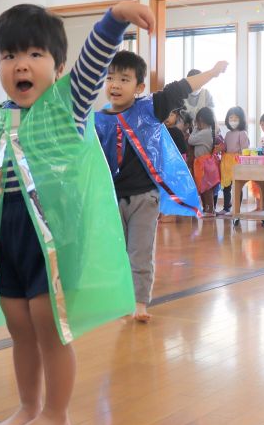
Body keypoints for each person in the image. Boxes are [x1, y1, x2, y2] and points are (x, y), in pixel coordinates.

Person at [0, 0, 154, 425]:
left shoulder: (66, 106)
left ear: (59, 65)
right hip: (9, 232)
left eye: (34, 54)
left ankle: (56, 413)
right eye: (9, 56)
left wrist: (115, 18)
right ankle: (29, 406)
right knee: (18, 324)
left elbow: (94, 59)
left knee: (48, 324)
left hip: (54, 237)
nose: (21, 65)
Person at [95, 51, 226, 322]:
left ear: (139, 87)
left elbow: (179, 89)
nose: (115, 85)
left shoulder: (149, 109)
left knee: (139, 252)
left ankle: (139, 303)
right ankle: (121, 300)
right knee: (115, 254)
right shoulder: (96, 120)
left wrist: (211, 73)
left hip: (144, 197)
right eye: (110, 78)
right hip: (111, 198)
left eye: (124, 79)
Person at [188, 106, 220, 215]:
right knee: (204, 188)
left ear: (201, 121)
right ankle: (207, 209)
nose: (197, 124)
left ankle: (210, 210)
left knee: (206, 188)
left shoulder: (205, 132)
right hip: (204, 163)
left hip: (204, 164)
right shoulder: (209, 130)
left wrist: (195, 128)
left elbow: (191, 140)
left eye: (197, 122)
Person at [219, 106, 249, 214]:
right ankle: (226, 207)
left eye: (236, 118)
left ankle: (237, 209)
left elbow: (245, 150)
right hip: (227, 162)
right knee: (226, 186)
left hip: (237, 162)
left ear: (241, 120)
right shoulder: (227, 134)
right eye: (231, 118)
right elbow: (226, 148)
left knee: (237, 186)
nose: (233, 121)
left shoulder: (242, 133)